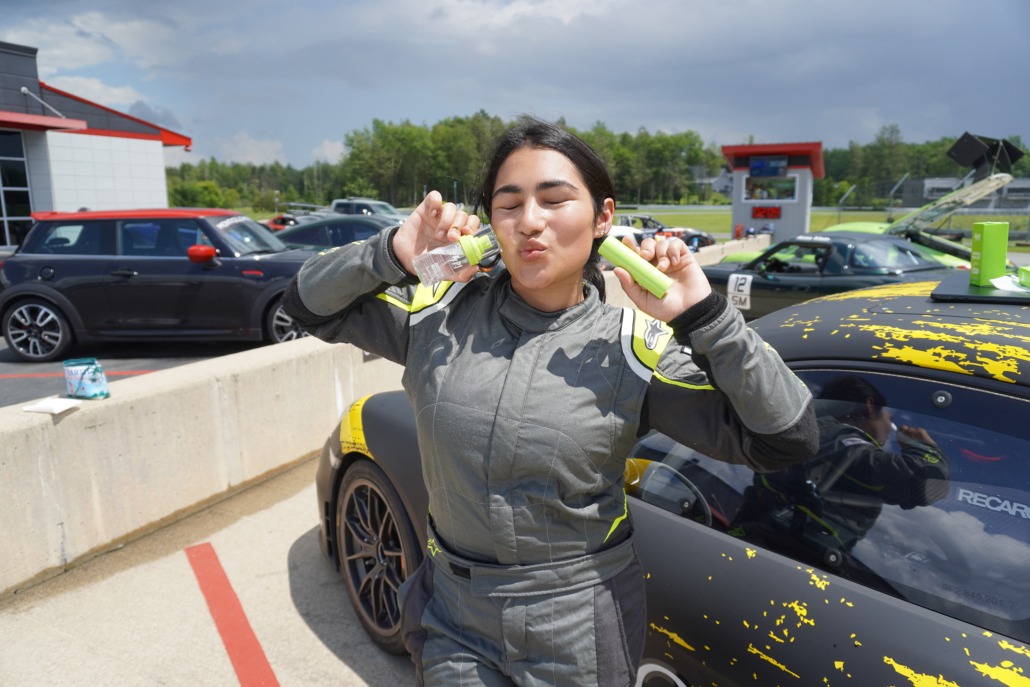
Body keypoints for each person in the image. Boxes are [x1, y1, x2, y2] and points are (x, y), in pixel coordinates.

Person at [283, 116, 818, 686]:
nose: (529, 222)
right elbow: (309, 306)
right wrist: (393, 251)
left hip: (577, 624)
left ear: (602, 219)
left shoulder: (635, 348)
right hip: (453, 617)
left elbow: (785, 437)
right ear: (489, 223)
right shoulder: (436, 316)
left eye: (555, 200)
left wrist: (705, 318)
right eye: (508, 205)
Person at [732, 375, 948, 566]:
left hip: (761, 549)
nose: (889, 432)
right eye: (889, 420)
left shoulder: (806, 433)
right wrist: (923, 447)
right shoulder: (839, 441)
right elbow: (925, 482)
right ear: (870, 406)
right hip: (785, 560)